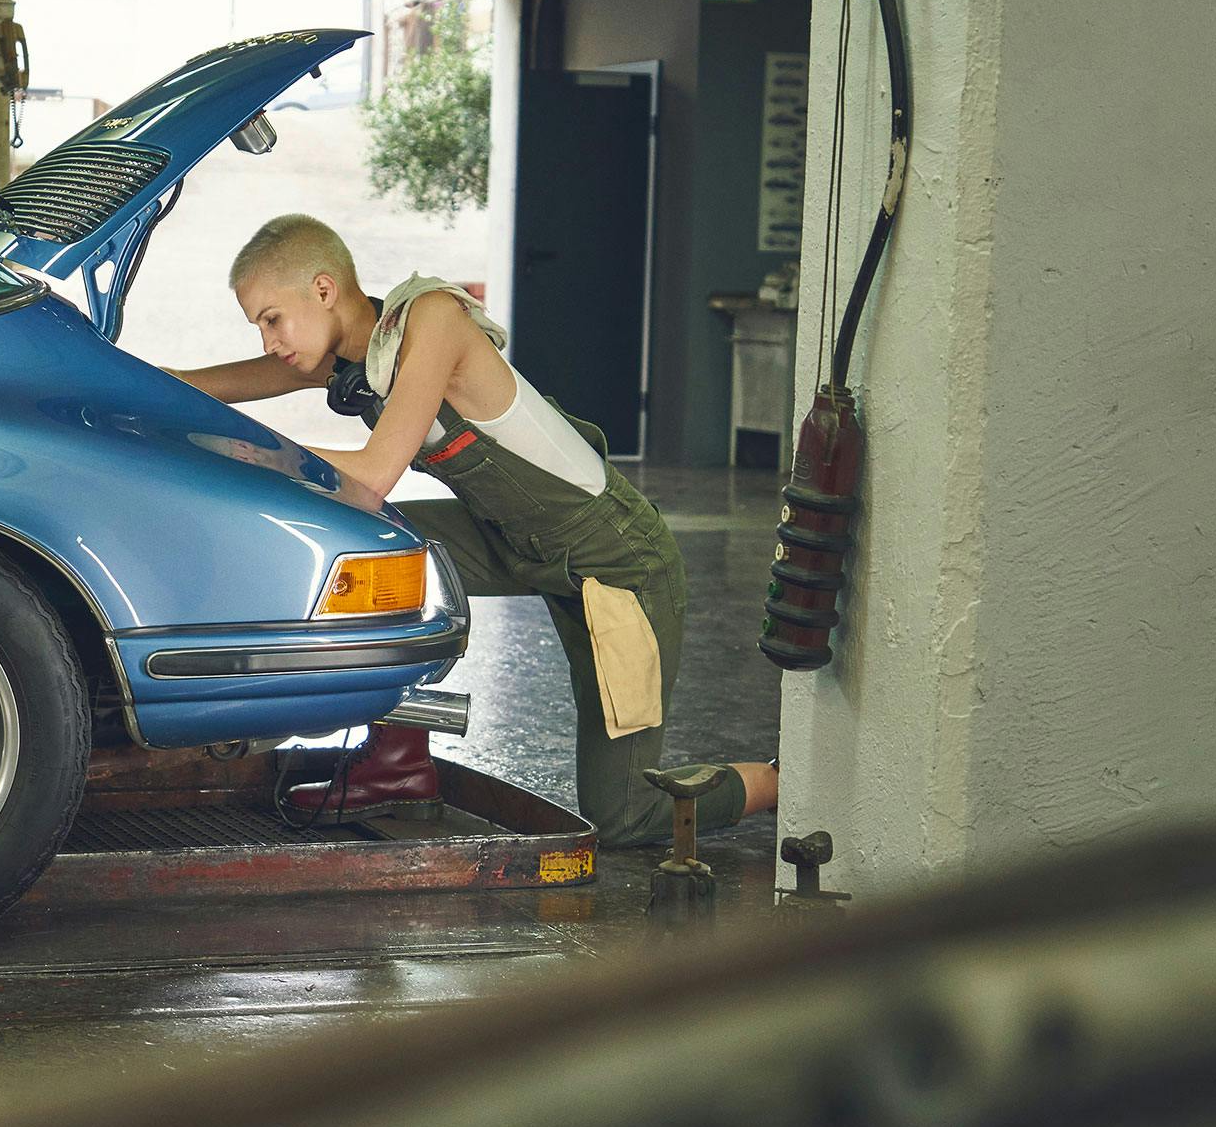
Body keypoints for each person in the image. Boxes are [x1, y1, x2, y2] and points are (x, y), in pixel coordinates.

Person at [170, 214, 778, 847]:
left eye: (272, 319)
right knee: (358, 548)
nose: (268, 342)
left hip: (616, 562)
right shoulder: (356, 360)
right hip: (509, 540)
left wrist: (254, 454)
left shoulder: (433, 321)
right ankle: (397, 762)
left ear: (323, 289)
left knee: (623, 817)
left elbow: (374, 474)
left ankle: (779, 782)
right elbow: (200, 388)